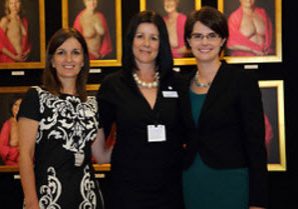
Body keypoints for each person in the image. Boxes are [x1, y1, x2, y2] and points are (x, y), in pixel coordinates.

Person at [97, 10, 187, 209]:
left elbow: (188, 133)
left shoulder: (178, 83)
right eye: (140, 36)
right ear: (131, 41)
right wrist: (109, 155)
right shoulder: (113, 84)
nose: (146, 44)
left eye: (153, 38)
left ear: (161, 43)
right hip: (127, 189)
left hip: (171, 188)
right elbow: (99, 130)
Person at [182, 6, 268, 209]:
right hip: (190, 183)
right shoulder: (180, 85)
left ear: (222, 40)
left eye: (212, 35)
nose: (204, 42)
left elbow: (255, 145)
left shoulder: (242, 82)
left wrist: (258, 200)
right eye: (197, 36)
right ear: (188, 41)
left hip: (231, 183)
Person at [17, 28, 111, 209]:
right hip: (47, 200)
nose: (69, 59)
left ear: (83, 60)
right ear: (52, 60)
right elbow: (25, 155)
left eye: (75, 53)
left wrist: (134, 133)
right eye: (61, 53)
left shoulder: (93, 103)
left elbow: (101, 156)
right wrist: (31, 202)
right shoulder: (36, 96)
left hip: (88, 200)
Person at [0, 97, 22, 166]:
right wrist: (16, 152)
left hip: (29, 164)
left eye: (21, 105)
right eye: (15, 104)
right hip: (11, 165)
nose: (18, 107)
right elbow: (2, 148)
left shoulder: (30, 124)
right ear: (11, 107)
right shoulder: (8, 124)